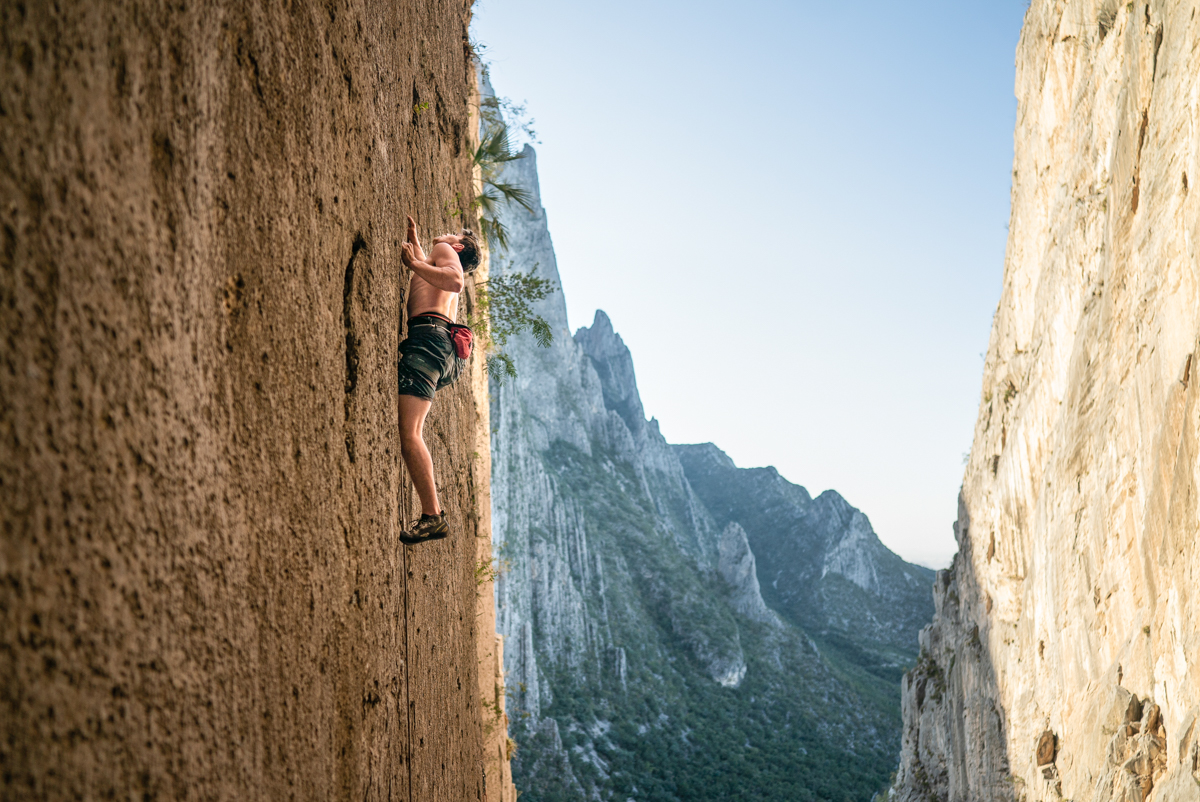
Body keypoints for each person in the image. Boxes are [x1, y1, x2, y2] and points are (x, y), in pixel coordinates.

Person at [396, 215, 480, 544]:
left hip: (429, 340)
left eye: (452, 235)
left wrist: (414, 263)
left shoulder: (446, 252)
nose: (445, 234)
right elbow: (430, 278)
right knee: (412, 430)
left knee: (410, 433)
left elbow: (454, 281)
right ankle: (432, 514)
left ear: (457, 246)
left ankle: (433, 516)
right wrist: (416, 246)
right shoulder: (439, 255)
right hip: (439, 347)